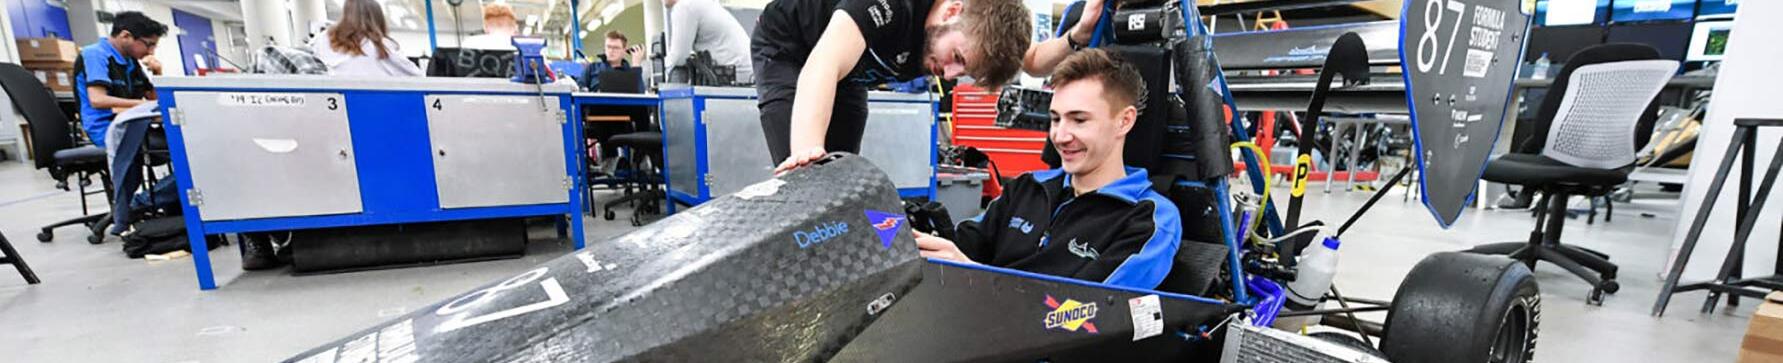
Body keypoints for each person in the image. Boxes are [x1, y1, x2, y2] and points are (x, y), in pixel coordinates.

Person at [915, 50, 1181, 290]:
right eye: (1055, 119)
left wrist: (974, 274)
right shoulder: (1027, 188)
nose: (1060, 136)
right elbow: (967, 247)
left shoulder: (1149, 220)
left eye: (1079, 120)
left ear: (1124, 121)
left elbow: (1087, 313)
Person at [754, 0, 1032, 174]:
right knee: (805, 175)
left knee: (840, 178)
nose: (949, 75)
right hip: (790, 49)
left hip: (850, 73)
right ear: (951, 11)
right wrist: (806, 155)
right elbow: (823, 63)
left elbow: (1035, 59)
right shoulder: (893, 6)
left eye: (963, 72)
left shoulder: (964, 36)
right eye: (958, 58)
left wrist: (1074, 37)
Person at [73, 11, 165, 148]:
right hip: (106, 128)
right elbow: (97, 99)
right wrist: (143, 105)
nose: (151, 52)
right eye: (148, 44)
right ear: (125, 36)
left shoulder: (130, 61)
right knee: (170, 146)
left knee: (177, 138)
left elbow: (154, 99)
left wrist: (158, 72)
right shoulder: (95, 54)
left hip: (130, 122)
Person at [311, 0, 424, 77]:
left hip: (335, 104)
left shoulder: (322, 39)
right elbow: (416, 77)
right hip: (378, 104)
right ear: (377, 20)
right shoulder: (381, 47)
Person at [664, 0, 753, 81]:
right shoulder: (703, 3)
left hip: (733, 77)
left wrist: (661, 72)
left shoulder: (685, 6)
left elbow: (680, 57)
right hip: (747, 74)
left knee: (677, 72)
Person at [580, 31, 646, 92]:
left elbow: (641, 96)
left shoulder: (630, 73)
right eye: (608, 47)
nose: (611, 51)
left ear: (624, 50)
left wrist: (636, 64)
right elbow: (579, 88)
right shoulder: (592, 68)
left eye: (616, 48)